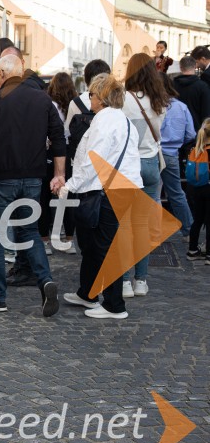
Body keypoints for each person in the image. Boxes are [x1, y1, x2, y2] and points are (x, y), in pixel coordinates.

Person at [0, 54, 65, 316]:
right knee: (29, 231)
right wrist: (59, 173)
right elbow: (58, 137)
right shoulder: (42, 100)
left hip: (1, 177)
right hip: (33, 177)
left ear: (1, 74)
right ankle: (45, 281)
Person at [61, 74, 142, 320]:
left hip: (110, 190)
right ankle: (88, 292)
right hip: (122, 188)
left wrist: (70, 185)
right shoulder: (122, 120)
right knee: (94, 244)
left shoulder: (105, 121)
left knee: (104, 247)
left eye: (92, 95)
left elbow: (93, 160)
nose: (90, 99)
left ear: (102, 98)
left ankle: (114, 305)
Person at [120, 53, 168, 299]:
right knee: (141, 226)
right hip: (150, 163)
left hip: (128, 164)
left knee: (124, 225)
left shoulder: (122, 99)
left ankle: (124, 282)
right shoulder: (159, 100)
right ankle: (141, 281)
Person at [158, 73, 196, 239]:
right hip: (172, 153)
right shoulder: (181, 107)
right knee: (177, 193)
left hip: (152, 153)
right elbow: (191, 133)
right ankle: (189, 229)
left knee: (152, 194)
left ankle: (153, 232)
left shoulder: (151, 106)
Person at [47, 72, 79, 253]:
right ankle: (69, 240)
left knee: (49, 193)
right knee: (68, 195)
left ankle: (48, 238)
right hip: (70, 152)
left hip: (52, 150)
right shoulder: (74, 104)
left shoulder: (50, 105)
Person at [186, 119, 210, 263]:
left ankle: (192, 250)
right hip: (208, 187)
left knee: (198, 220)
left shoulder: (195, 149)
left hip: (195, 188)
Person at [173, 56, 210, 132]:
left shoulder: (171, 86)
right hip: (197, 130)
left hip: (176, 130)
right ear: (195, 66)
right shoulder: (203, 87)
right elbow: (206, 113)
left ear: (180, 67)